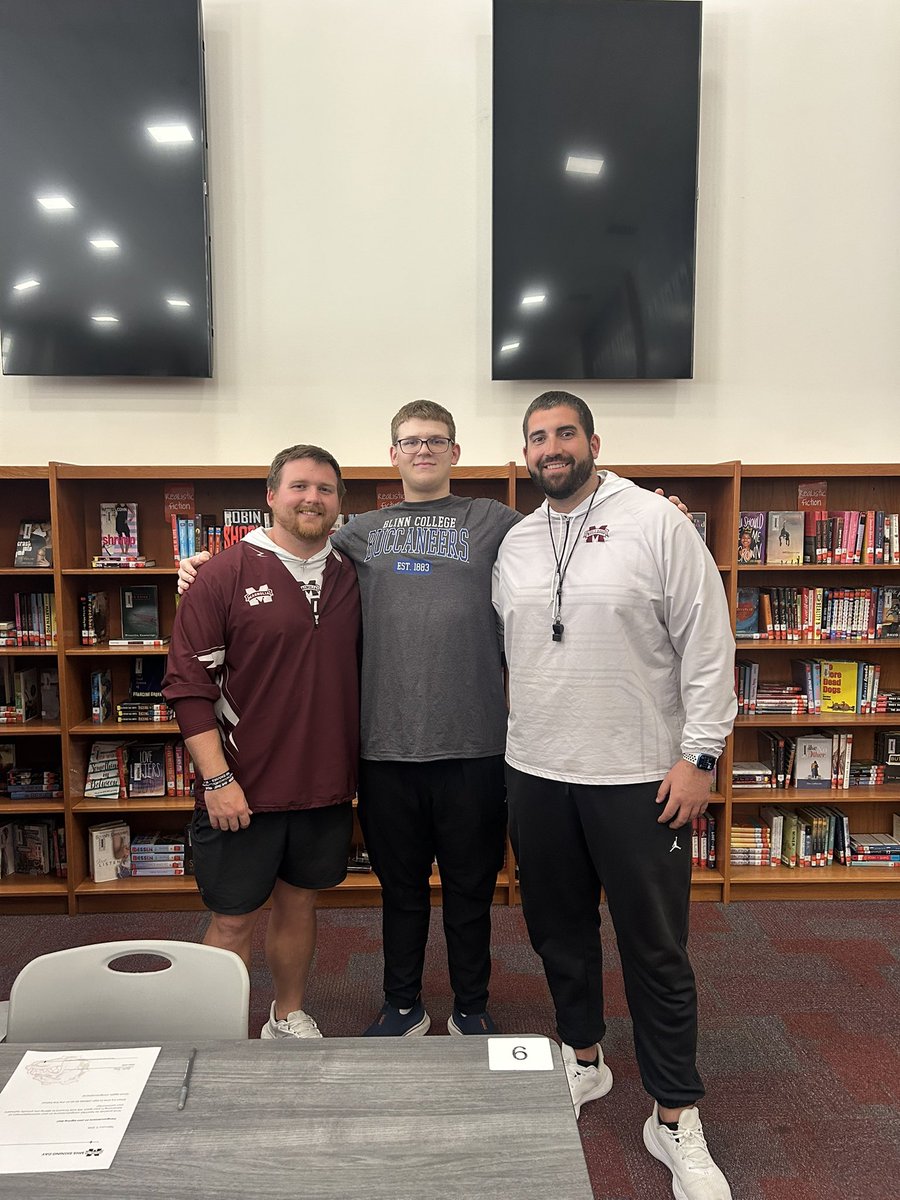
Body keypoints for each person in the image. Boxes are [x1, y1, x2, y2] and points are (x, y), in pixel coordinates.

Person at [179, 402, 519, 1037]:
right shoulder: (355, 533)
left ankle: (471, 1007)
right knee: (400, 891)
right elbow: (282, 547)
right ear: (392, 455)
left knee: (471, 891)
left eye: (436, 440)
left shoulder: (494, 520)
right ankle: (402, 1005)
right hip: (384, 752)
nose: (423, 450)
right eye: (410, 441)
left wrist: (648, 510)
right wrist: (201, 568)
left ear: (454, 452)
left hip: (474, 746)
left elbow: (563, 537)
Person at [492, 391, 737, 1200]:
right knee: (558, 933)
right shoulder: (516, 542)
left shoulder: (657, 523)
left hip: (640, 778)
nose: (551, 448)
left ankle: (674, 1116)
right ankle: (583, 1057)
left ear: (594, 442)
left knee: (656, 950)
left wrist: (701, 755)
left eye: (565, 433)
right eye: (538, 437)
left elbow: (708, 643)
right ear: (526, 453)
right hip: (537, 771)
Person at [163, 444, 360, 1040]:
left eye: (325, 489)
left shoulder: (353, 573)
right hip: (241, 790)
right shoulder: (221, 574)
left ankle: (287, 1015)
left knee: (300, 904)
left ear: (339, 503)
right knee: (232, 920)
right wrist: (217, 780)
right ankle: (212, 1037)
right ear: (271, 496)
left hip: (323, 787)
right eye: (299, 486)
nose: (312, 498)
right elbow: (188, 687)